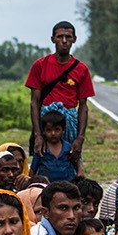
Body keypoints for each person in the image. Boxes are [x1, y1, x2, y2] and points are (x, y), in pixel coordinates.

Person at [27, 21, 94, 168]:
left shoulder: (81, 69)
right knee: (43, 161)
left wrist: (80, 138)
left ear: (74, 39)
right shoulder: (40, 65)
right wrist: (38, 135)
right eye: (60, 37)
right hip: (46, 124)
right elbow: (34, 103)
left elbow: (83, 107)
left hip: (69, 125)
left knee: (70, 162)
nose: (64, 41)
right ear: (53, 39)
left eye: (68, 37)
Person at [31, 110, 80, 182]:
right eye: (49, 130)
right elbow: (33, 169)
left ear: (63, 129)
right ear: (43, 131)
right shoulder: (41, 149)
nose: (53, 133)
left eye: (57, 130)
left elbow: (77, 161)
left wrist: (80, 174)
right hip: (46, 187)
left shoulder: (68, 147)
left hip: (66, 185)